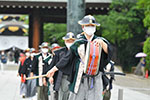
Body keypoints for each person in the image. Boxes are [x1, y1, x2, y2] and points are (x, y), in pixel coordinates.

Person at [46, 15, 112, 100]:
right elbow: (67, 58)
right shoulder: (78, 43)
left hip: (95, 77)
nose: (90, 28)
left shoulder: (100, 41)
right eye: (88, 25)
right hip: (80, 77)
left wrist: (102, 44)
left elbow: (109, 53)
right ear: (83, 27)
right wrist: (53, 69)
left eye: (92, 26)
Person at [44, 32, 76, 100]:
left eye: (72, 41)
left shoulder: (77, 52)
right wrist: (51, 76)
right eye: (68, 41)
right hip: (63, 77)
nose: (70, 42)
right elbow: (52, 66)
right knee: (63, 96)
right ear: (65, 41)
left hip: (75, 77)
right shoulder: (59, 52)